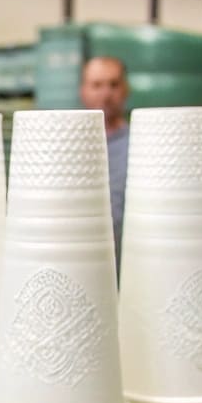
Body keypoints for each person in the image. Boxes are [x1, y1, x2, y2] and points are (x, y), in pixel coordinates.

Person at [79, 55, 130, 267]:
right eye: (97, 85)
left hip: (127, 266)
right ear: (82, 91)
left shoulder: (139, 145)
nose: (106, 94)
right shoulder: (71, 146)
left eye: (113, 85)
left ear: (125, 90)